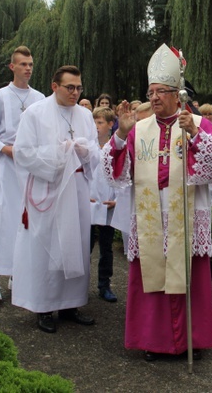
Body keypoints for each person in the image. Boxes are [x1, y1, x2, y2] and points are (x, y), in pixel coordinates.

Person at [103, 44, 212, 361]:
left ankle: (191, 339)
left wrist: (197, 137)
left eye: (161, 91)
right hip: (150, 213)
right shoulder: (139, 128)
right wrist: (119, 134)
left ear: (177, 94)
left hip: (184, 211)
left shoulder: (197, 123)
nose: (155, 97)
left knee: (188, 274)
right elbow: (114, 170)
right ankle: (153, 340)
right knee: (151, 275)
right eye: (151, 92)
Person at [12, 64, 98, 333]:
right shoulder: (35, 114)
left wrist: (84, 151)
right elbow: (23, 152)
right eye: (69, 87)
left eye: (78, 87)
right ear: (54, 86)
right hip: (48, 190)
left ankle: (71, 304)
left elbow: (95, 151)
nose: (75, 93)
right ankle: (43, 307)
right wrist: (59, 154)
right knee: (46, 248)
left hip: (76, 191)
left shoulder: (85, 115)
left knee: (77, 245)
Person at [0, 46, 45, 303]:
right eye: (23, 64)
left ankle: (19, 273)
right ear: (12, 67)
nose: (28, 68)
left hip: (30, 169)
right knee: (1, 222)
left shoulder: (40, 98)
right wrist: (6, 149)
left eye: (30, 64)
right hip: (6, 167)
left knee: (27, 222)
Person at [89, 107, 119, 303]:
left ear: (110, 125)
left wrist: (117, 200)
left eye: (100, 123)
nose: (96, 126)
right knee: (85, 245)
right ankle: (78, 284)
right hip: (89, 204)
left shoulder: (115, 148)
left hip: (109, 204)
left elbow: (123, 177)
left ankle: (104, 284)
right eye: (94, 122)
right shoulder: (88, 147)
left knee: (106, 247)